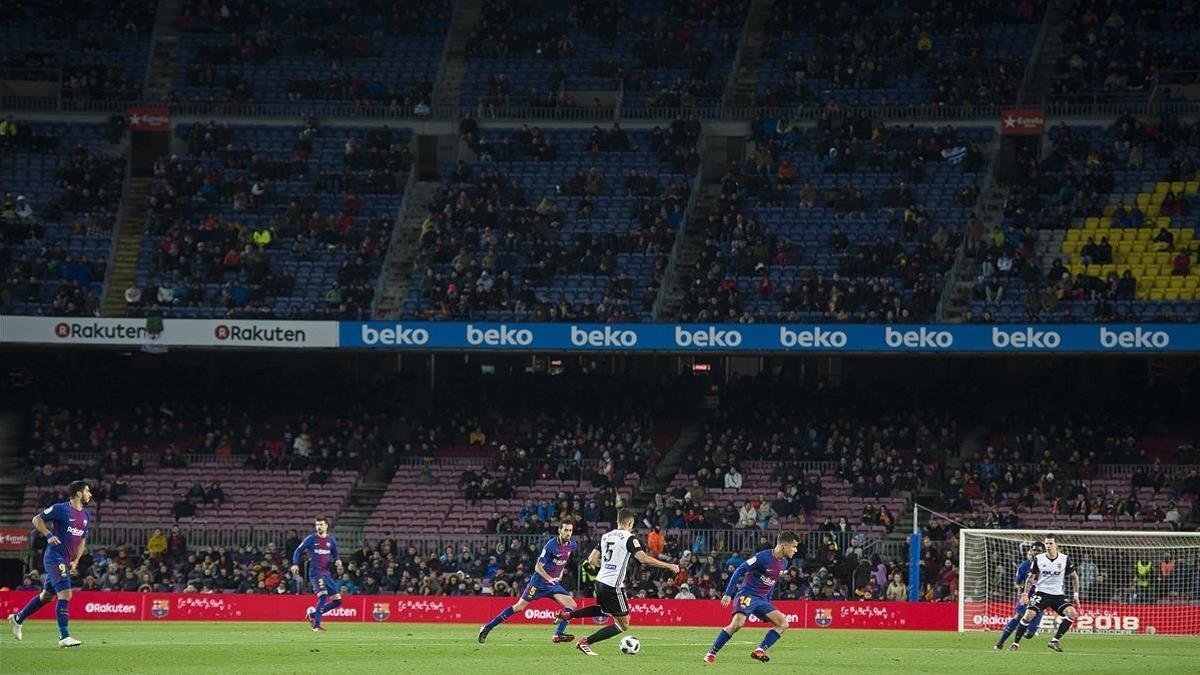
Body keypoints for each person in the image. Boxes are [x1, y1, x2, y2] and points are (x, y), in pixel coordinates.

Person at [562, 509, 679, 656]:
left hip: (600, 581)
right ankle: (586, 642)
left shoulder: (606, 536)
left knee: (604, 610)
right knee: (624, 624)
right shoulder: (629, 538)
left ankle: (569, 616)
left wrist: (605, 566)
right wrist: (668, 565)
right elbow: (643, 559)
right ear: (629, 523)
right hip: (613, 585)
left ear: (618, 521)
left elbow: (591, 559)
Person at [8, 480, 92, 647]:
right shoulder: (61, 509)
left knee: (46, 597)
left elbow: (82, 540)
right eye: (87, 491)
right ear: (78, 493)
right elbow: (36, 519)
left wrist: (76, 560)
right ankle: (64, 636)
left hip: (67, 561)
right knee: (66, 594)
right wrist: (48, 535)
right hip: (54, 557)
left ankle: (18, 618)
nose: (90, 494)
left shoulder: (86, 516)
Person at [704, 531, 800, 664]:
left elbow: (771, 584)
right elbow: (739, 570)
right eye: (794, 546)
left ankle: (760, 650)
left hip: (762, 600)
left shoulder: (784, 563)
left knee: (783, 623)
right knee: (737, 624)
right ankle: (711, 653)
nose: (795, 550)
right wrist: (728, 593)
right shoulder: (762, 557)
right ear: (784, 545)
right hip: (747, 594)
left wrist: (767, 602)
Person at [479, 521, 579, 644]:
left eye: (570, 530)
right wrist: (549, 578)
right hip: (539, 582)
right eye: (566, 530)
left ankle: (558, 634)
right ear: (559, 531)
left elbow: (563, 560)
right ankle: (487, 627)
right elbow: (538, 567)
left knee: (572, 605)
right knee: (519, 607)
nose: (568, 533)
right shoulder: (551, 545)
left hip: (553, 584)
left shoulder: (572, 545)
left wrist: (560, 573)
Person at [1010, 534, 1079, 652]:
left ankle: (1054, 641)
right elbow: (1031, 578)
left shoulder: (1064, 559)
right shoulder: (1039, 559)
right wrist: (1025, 594)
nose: (1048, 546)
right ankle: (1015, 644)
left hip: (1058, 595)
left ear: (1056, 544)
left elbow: (1074, 576)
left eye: (1051, 543)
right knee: (1028, 615)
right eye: (1046, 543)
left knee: (1072, 613)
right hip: (1041, 593)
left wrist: (1076, 594)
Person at [290, 516, 344, 632]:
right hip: (316, 573)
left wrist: (337, 559)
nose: (319, 527)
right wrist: (295, 563)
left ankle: (312, 615)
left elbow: (335, 552)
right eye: (317, 524)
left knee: (337, 601)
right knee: (323, 595)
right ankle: (316, 625)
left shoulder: (331, 540)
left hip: (326, 573)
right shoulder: (311, 539)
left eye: (321, 524)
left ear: (326, 526)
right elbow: (298, 550)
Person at [994, 542, 1046, 650]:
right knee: (1017, 616)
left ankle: (1025, 633)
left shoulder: (1047, 566)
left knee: (1029, 634)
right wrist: (1022, 593)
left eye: (1039, 550)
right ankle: (1000, 643)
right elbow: (1018, 582)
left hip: (1041, 598)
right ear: (1031, 551)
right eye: (1034, 550)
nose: (1035, 552)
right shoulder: (1024, 566)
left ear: (1043, 552)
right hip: (1026, 596)